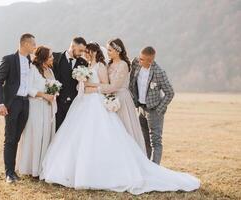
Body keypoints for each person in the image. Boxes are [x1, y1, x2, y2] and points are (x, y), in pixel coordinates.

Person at [40, 42, 200, 195]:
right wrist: (82, 83)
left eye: (87, 52)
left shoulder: (101, 67)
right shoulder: (88, 66)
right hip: (83, 104)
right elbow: (83, 86)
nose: (85, 55)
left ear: (94, 52)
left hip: (96, 104)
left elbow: (105, 85)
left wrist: (91, 88)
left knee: (107, 137)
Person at [85, 38, 146, 152]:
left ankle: (131, 155)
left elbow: (114, 86)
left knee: (125, 129)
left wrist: (91, 87)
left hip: (122, 99)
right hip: (109, 99)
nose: (107, 53)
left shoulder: (123, 65)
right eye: (107, 50)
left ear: (118, 51)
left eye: (110, 50)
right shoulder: (109, 64)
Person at [0, 33, 36, 183]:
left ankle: (13, 172)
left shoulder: (30, 61)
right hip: (12, 104)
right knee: (10, 138)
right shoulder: (9, 59)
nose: (34, 47)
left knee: (17, 138)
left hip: (25, 104)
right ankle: (9, 173)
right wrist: (0, 103)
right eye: (33, 44)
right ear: (25, 44)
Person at [129, 46, 174, 164]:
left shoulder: (159, 73)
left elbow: (170, 93)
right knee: (144, 140)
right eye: (139, 58)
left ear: (150, 61)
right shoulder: (136, 64)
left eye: (142, 59)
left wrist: (158, 109)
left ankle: (155, 169)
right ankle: (147, 166)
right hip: (141, 109)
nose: (139, 61)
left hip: (154, 111)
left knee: (156, 142)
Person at [16, 46, 56, 178]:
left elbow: (53, 86)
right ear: (44, 58)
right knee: (36, 135)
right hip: (36, 107)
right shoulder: (32, 69)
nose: (53, 58)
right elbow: (28, 89)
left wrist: (54, 93)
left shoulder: (50, 70)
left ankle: (42, 168)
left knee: (46, 135)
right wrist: (44, 95)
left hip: (48, 107)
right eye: (50, 56)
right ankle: (32, 169)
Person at [52, 37, 88, 131]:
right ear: (72, 46)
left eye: (83, 51)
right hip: (58, 106)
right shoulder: (55, 58)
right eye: (80, 50)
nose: (81, 53)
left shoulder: (83, 63)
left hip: (74, 106)